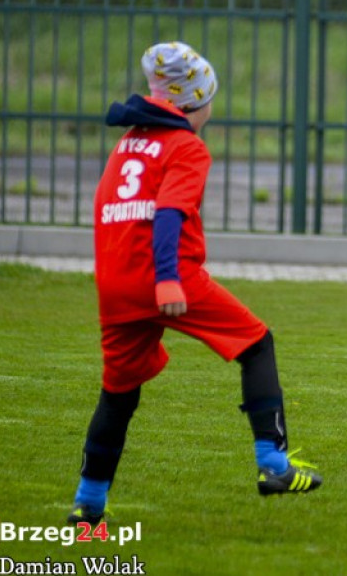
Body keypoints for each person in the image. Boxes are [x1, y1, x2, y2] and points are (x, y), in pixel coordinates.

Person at [67, 42, 321, 525]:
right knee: (256, 343)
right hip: (168, 277)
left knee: (118, 393)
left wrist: (118, 280)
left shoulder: (127, 143)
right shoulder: (185, 146)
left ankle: (88, 503)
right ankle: (274, 465)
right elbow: (167, 214)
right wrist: (166, 281)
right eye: (210, 100)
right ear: (194, 102)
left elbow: (105, 211)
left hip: (116, 284)